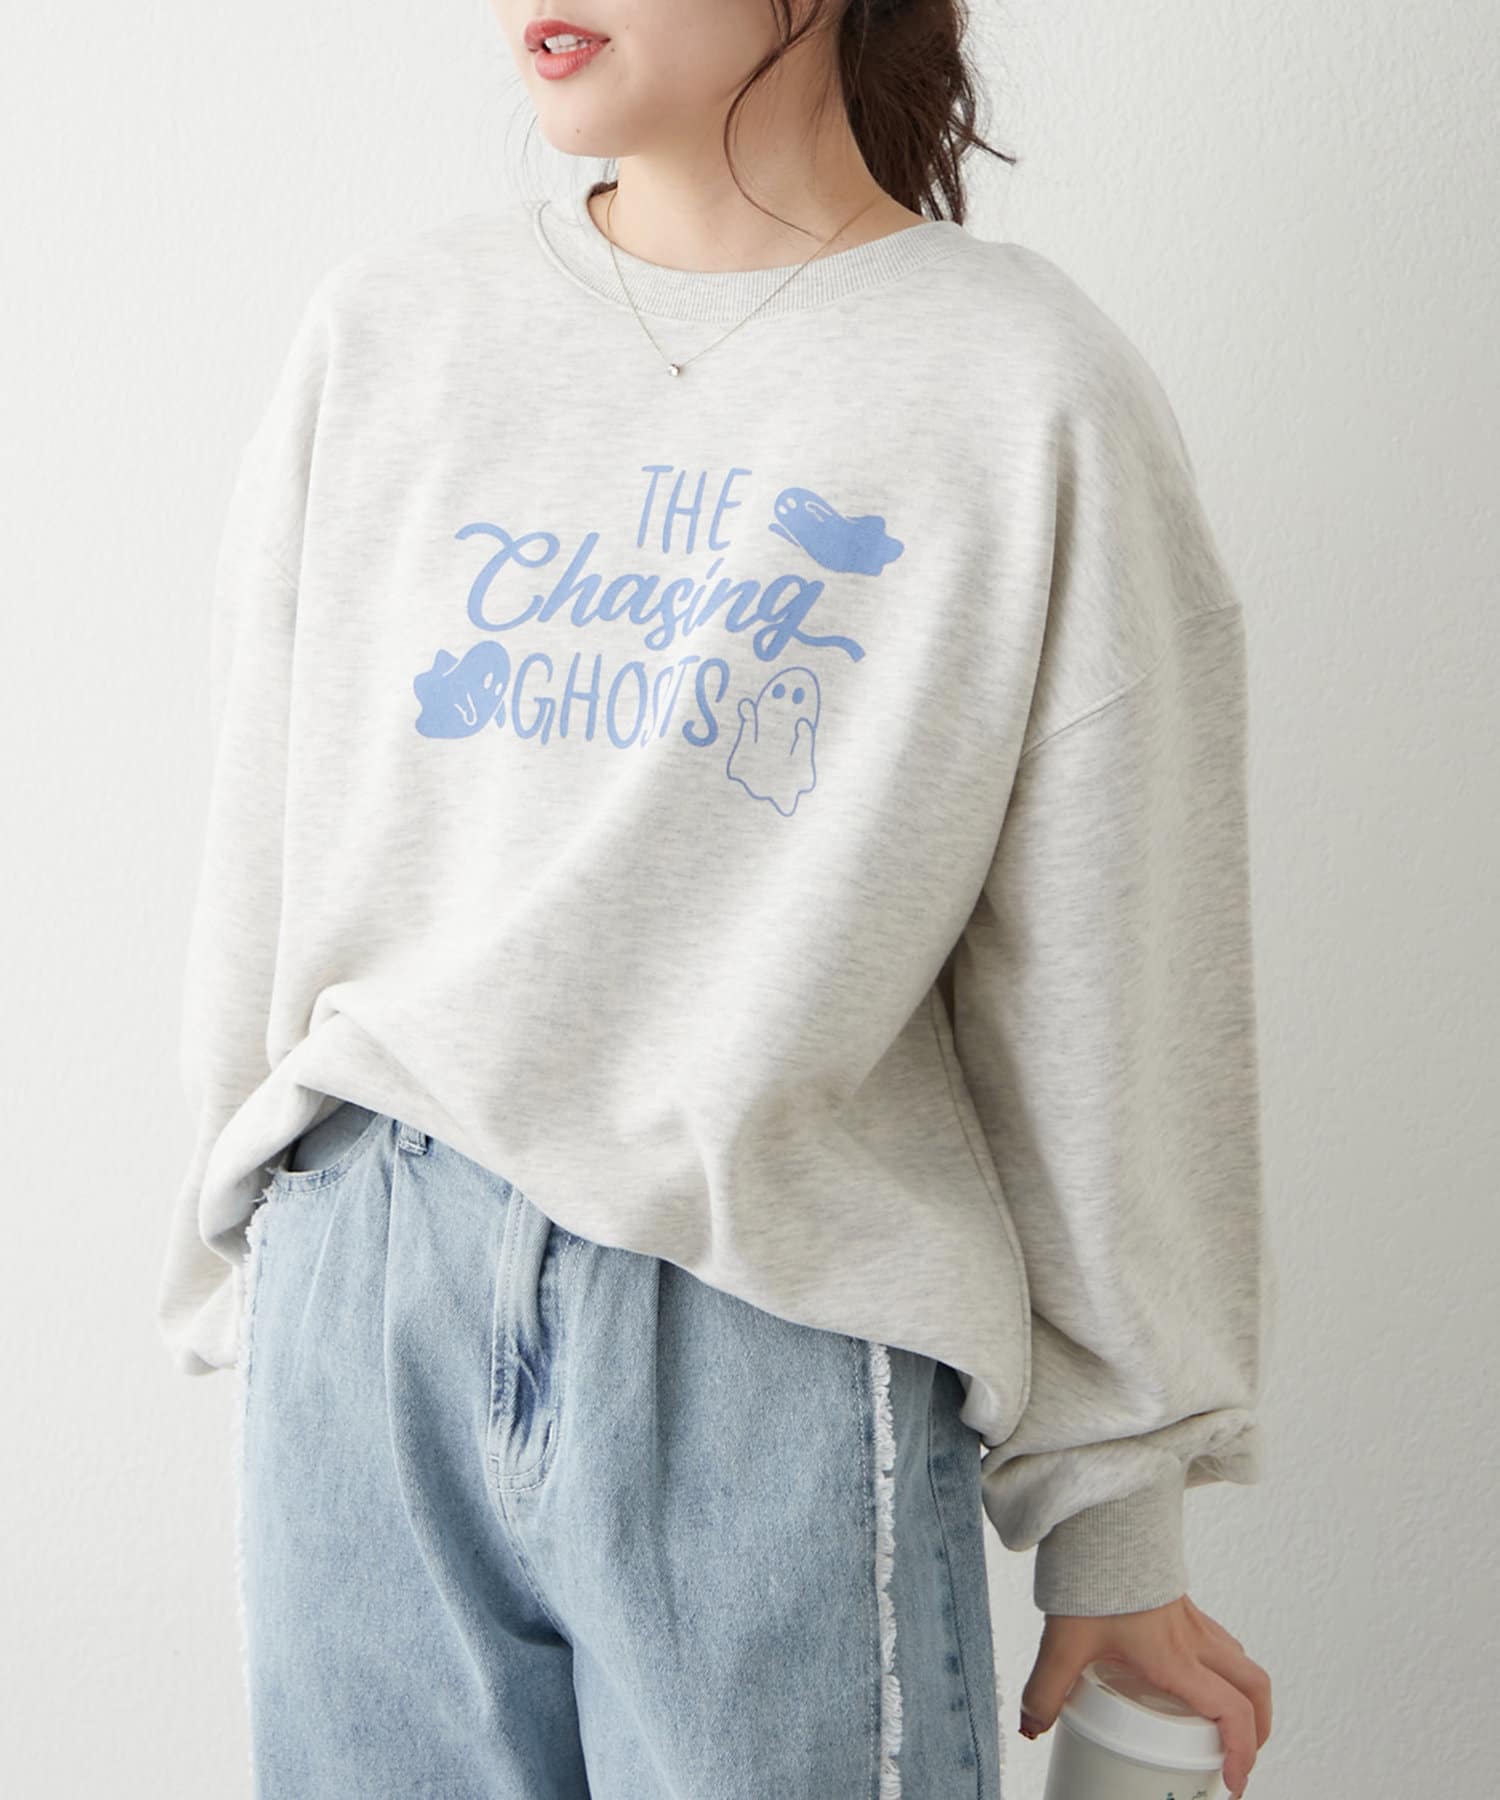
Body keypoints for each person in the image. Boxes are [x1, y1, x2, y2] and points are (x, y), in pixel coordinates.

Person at [156, 1, 1276, 1794]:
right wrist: (261, 1265)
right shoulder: (393, 332)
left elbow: (1105, 978)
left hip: (765, 1336)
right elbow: (269, 835)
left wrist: (1117, 1529)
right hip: (368, 1295)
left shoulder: (1017, 382)